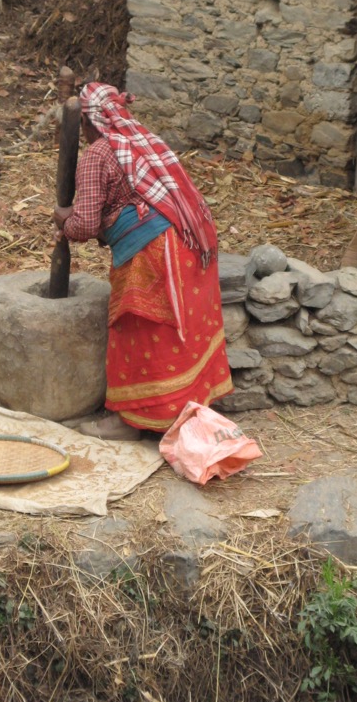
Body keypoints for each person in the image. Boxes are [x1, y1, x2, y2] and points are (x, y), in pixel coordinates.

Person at [54, 82, 232, 440]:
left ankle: (131, 421)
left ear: (88, 123)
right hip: (190, 240)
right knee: (184, 328)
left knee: (141, 329)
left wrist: (63, 220)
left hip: (154, 252)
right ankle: (188, 406)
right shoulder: (142, 141)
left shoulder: (97, 155)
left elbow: (84, 224)